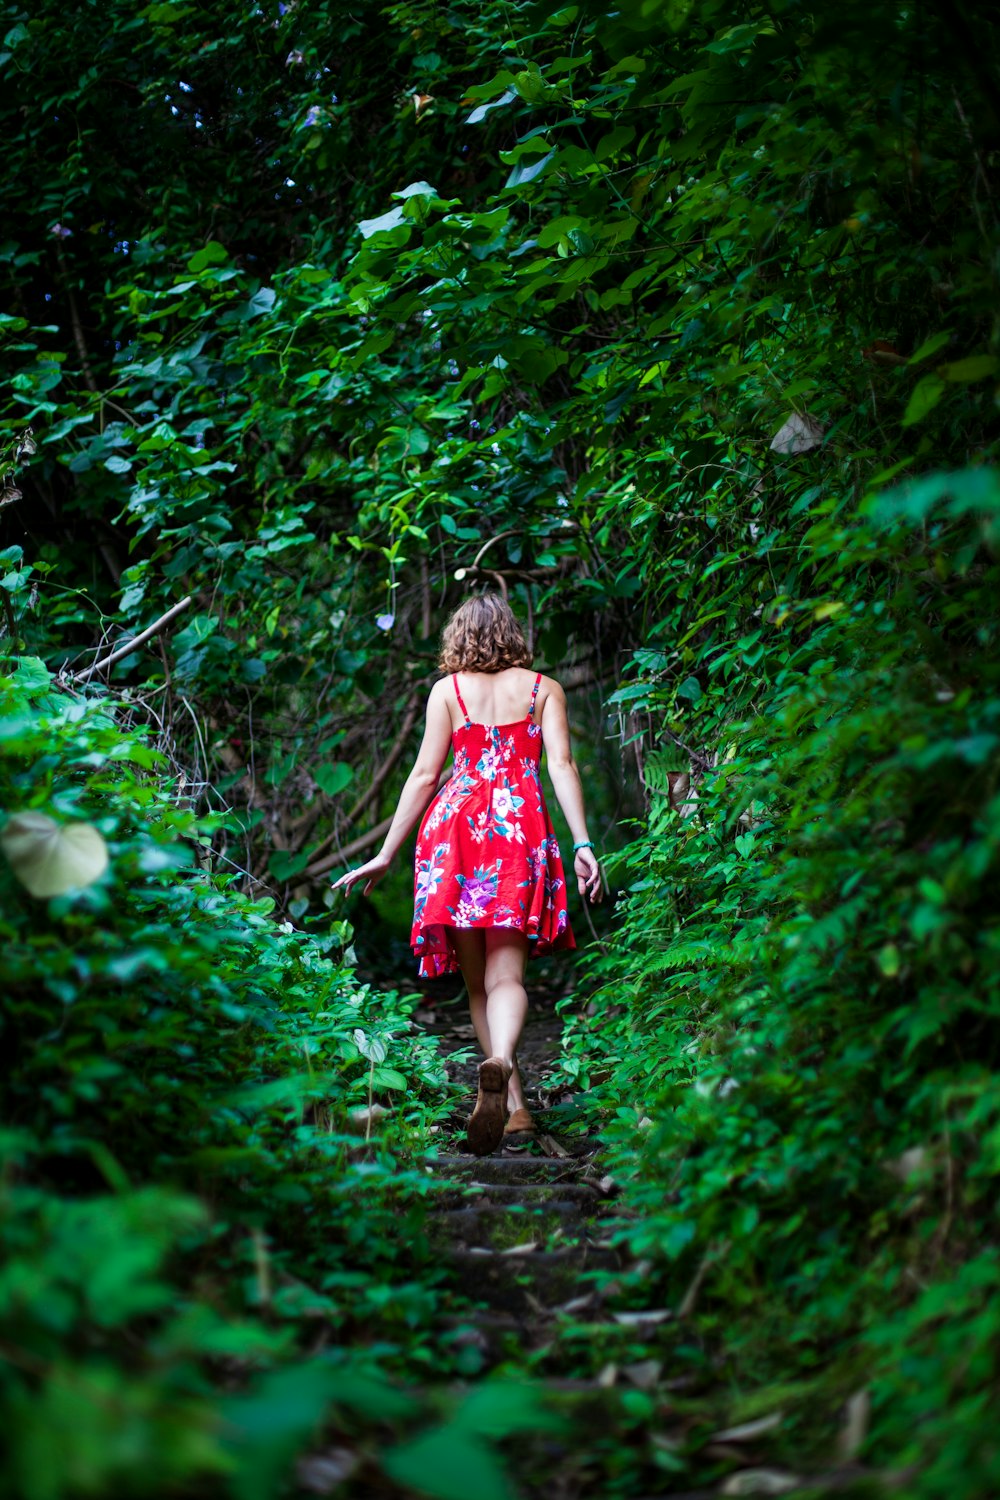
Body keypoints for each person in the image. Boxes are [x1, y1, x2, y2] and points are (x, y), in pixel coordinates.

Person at [332, 593, 602, 1156]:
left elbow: (426, 774)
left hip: (453, 836)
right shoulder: (542, 689)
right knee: (508, 978)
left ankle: (515, 1100)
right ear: (511, 632)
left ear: (459, 636)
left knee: (477, 983)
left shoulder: (447, 692)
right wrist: (582, 842)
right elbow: (561, 766)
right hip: (517, 832)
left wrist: (386, 853)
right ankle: (505, 1075)